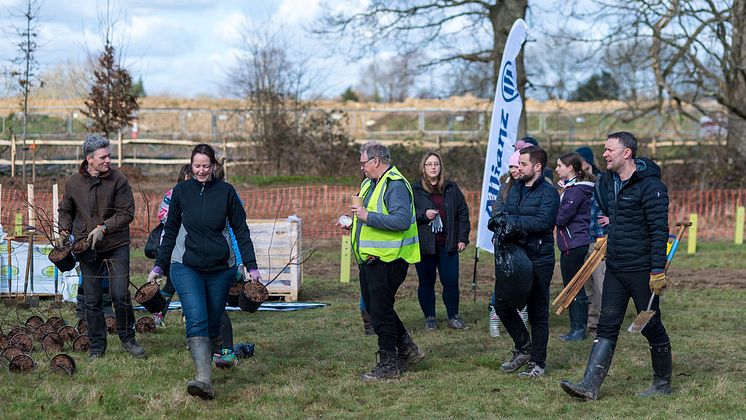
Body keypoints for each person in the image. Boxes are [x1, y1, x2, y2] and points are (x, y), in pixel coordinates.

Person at [561, 131, 672, 400]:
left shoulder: (651, 187)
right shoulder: (607, 182)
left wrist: (657, 270)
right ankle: (589, 386)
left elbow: (659, 230)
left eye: (609, 150)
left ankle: (662, 383)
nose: (604, 154)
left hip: (642, 269)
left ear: (627, 153)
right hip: (616, 267)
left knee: (650, 323)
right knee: (607, 326)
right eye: (604, 149)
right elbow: (610, 213)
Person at [148, 144, 260, 400]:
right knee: (196, 317)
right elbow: (170, 231)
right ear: (190, 165)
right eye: (196, 166)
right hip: (185, 266)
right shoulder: (181, 192)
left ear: (214, 167)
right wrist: (159, 266)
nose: (200, 170)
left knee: (212, 319)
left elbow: (241, 230)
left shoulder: (226, 192)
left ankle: (208, 367)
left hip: (221, 269)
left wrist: (251, 266)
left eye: (205, 166)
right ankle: (203, 379)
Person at [58, 135, 145, 359]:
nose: (108, 160)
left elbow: (126, 213)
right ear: (89, 159)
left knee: (119, 294)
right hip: (87, 248)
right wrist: (64, 231)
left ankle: (128, 338)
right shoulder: (73, 183)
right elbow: (66, 210)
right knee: (92, 298)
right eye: (103, 157)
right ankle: (97, 346)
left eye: (109, 156)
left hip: (116, 245)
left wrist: (104, 228)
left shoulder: (118, 180)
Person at [349, 141, 424, 381]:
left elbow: (401, 221)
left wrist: (366, 216)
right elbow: (370, 217)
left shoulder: (395, 185)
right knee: (376, 308)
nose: (361, 167)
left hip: (389, 260)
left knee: (380, 312)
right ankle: (408, 350)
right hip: (371, 259)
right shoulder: (369, 183)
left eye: (363, 163)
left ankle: (389, 364)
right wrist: (354, 224)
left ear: (376, 161)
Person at [494, 145, 559, 378]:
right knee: (502, 304)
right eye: (518, 164)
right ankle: (523, 347)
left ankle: (537, 363)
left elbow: (543, 223)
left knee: (537, 313)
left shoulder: (549, 193)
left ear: (537, 166)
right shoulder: (515, 189)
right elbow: (504, 214)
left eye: (523, 164)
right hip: (515, 257)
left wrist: (514, 222)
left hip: (539, 258)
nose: (518, 168)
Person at [412, 152, 470, 330]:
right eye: (429, 164)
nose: (433, 167)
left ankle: (454, 316)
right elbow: (407, 215)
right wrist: (424, 215)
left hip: (448, 244)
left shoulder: (452, 188)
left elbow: (462, 213)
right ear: (424, 167)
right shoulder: (415, 189)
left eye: (436, 164)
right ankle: (430, 317)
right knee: (426, 282)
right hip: (425, 246)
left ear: (440, 166)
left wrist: (462, 238)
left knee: (451, 282)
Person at [554, 152, 595, 341]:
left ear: (570, 167)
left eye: (560, 165)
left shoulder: (576, 191)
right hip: (570, 243)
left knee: (574, 287)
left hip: (574, 243)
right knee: (571, 286)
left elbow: (562, 217)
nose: (556, 169)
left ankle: (579, 330)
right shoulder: (571, 189)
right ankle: (575, 328)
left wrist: (552, 211)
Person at [576, 146, 607, 333]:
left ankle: (605, 321)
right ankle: (591, 320)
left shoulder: (602, 180)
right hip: (581, 238)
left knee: (600, 283)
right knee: (586, 284)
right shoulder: (575, 182)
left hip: (598, 237)